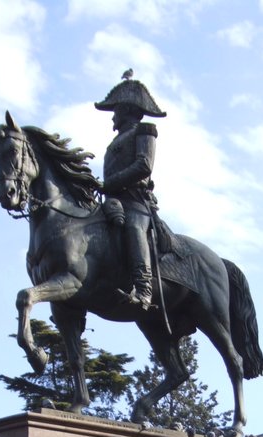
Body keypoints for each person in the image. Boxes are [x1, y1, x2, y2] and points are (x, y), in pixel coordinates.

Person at [95, 72, 166, 309]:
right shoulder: (114, 142)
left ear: (125, 110)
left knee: (135, 228)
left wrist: (111, 183)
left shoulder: (145, 130)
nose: (112, 117)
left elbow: (144, 165)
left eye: (115, 111)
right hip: (113, 199)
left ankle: (144, 289)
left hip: (136, 201)